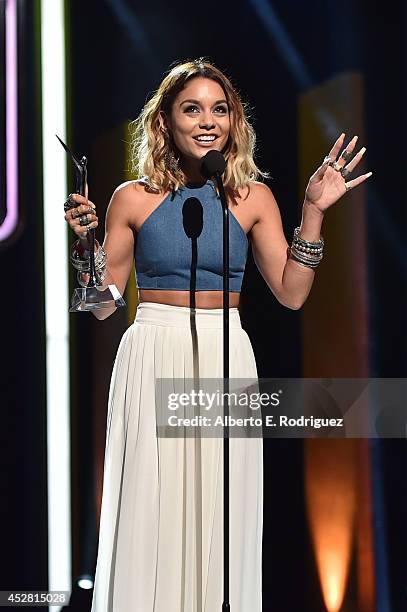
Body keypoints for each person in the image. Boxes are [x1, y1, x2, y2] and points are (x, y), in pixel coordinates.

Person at [64, 58, 371, 611]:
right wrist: (85, 249)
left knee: (217, 512)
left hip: (227, 351)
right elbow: (103, 306)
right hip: (152, 349)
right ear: (165, 122)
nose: (208, 121)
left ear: (234, 122)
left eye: (220, 108)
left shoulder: (253, 198)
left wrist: (314, 212)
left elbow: (292, 291)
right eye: (192, 108)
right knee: (152, 511)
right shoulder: (131, 198)